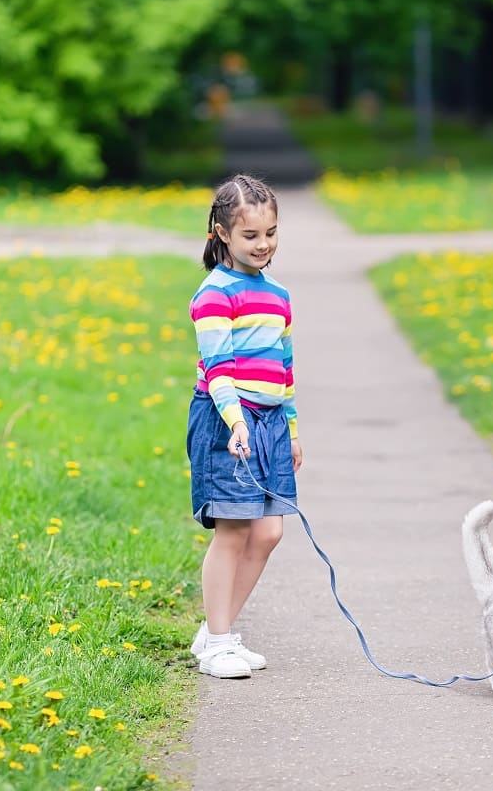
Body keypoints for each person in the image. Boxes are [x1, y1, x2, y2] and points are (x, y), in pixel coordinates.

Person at [185, 174, 303, 679]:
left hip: (271, 421)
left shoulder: (277, 294)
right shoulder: (214, 294)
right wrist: (236, 424)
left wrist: (292, 430)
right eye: (251, 235)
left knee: (269, 532)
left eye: (271, 233)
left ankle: (218, 629)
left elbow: (285, 364)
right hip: (228, 419)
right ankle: (218, 641)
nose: (264, 244)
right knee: (234, 529)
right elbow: (218, 369)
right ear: (222, 233)